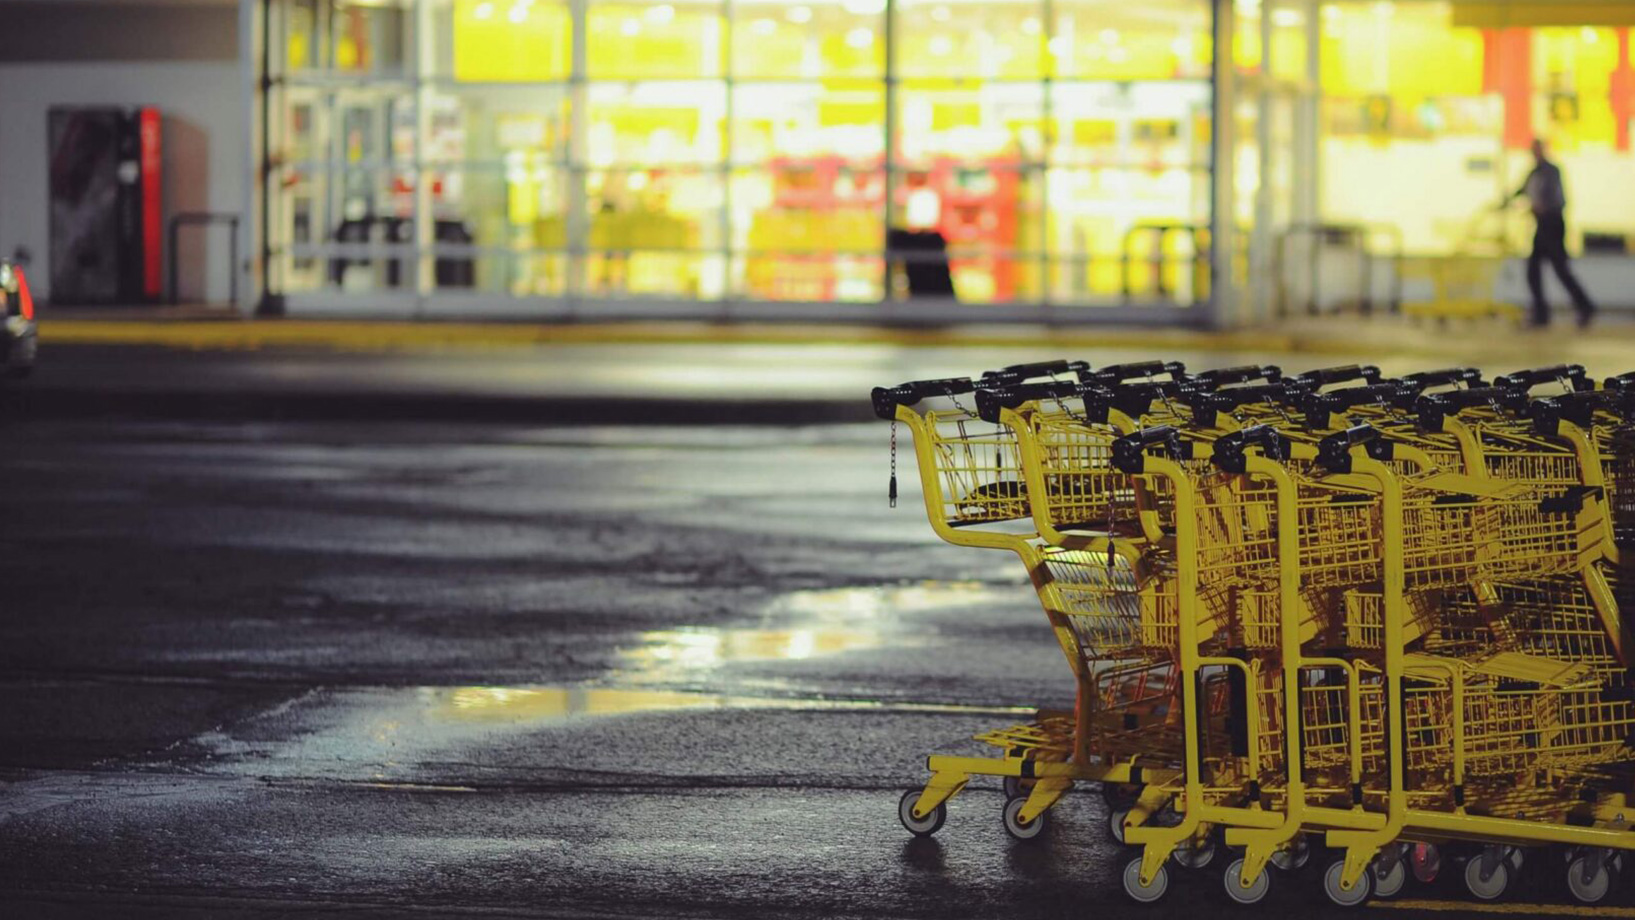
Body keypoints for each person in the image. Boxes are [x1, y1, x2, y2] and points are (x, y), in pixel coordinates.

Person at [1505, 138, 1596, 328]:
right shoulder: (1533, 172)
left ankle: (1583, 306)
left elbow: (1557, 198)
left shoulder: (1551, 171)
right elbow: (1521, 190)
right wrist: (1505, 202)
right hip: (1542, 225)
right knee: (1535, 269)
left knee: (1558, 270)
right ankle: (1544, 312)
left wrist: (1542, 207)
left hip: (1552, 224)